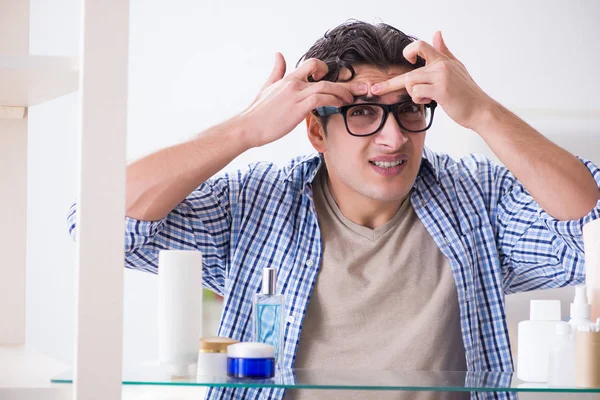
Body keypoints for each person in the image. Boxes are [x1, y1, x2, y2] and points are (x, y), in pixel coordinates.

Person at [68, 20, 600, 400]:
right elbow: (98, 225)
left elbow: (589, 233)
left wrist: (482, 110)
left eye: (410, 110)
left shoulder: (477, 202)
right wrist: (244, 131)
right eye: (364, 112)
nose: (394, 137)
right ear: (317, 130)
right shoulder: (255, 205)